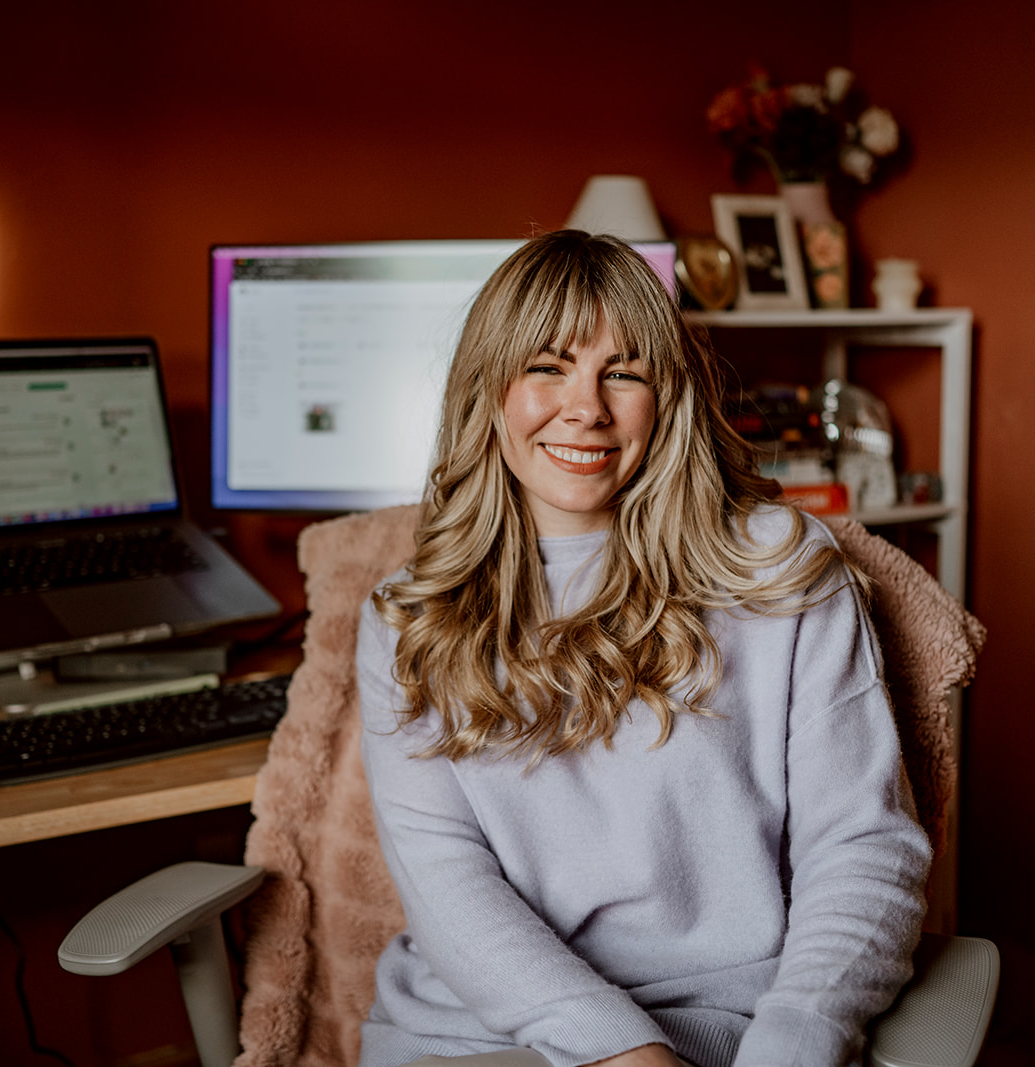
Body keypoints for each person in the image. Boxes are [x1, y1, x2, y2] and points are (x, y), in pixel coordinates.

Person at [356, 231, 930, 1067]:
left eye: (623, 372)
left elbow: (864, 846)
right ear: (489, 389)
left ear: (668, 397)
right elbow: (449, 887)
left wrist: (798, 1039)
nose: (586, 407)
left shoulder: (781, 569)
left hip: (732, 1028)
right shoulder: (406, 616)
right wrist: (620, 1053)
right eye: (547, 366)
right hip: (475, 1036)